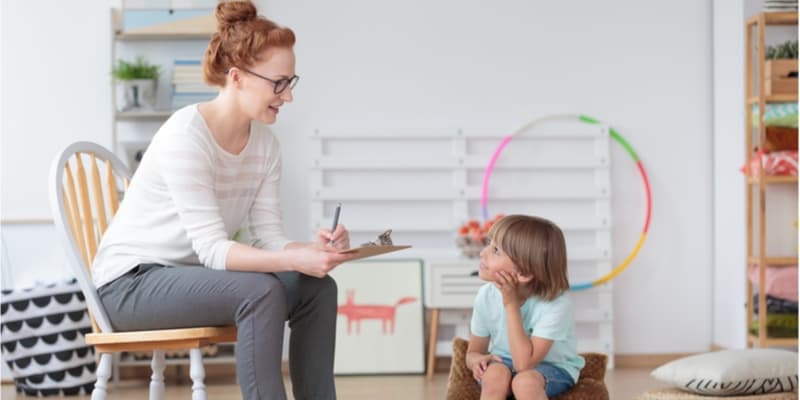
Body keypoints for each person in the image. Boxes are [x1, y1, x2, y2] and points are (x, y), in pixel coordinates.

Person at [92, 2, 353, 399]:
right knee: (261, 290)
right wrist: (293, 259)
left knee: (317, 288)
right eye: (278, 83)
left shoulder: (266, 146)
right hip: (129, 285)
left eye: (290, 83)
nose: (287, 97)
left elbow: (267, 238)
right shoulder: (186, 135)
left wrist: (311, 251)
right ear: (237, 77)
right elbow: (213, 249)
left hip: (193, 278)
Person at [466, 215, 585, 400]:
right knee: (495, 376)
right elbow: (474, 351)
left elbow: (523, 364)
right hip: (503, 362)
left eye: (496, 250)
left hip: (553, 367)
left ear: (524, 272)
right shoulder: (485, 295)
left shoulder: (556, 303)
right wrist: (476, 360)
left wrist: (511, 304)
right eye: (489, 244)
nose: (483, 253)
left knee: (525, 382)